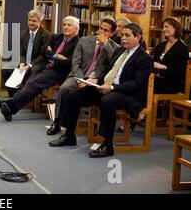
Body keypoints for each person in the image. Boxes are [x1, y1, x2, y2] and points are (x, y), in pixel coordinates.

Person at [49, 23, 153, 158]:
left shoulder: (144, 58)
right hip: (106, 87)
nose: (123, 38)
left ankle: (107, 145)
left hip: (125, 93)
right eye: (122, 35)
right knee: (74, 95)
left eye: (128, 35)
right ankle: (69, 135)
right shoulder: (119, 51)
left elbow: (136, 84)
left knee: (107, 101)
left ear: (138, 37)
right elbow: (107, 70)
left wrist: (111, 88)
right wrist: (96, 80)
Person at [0, 16, 80, 121]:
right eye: (64, 25)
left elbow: (68, 63)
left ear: (76, 29)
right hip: (44, 66)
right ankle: (9, 108)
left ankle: (9, 105)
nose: (65, 27)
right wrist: (56, 56)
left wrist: (51, 55)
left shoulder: (78, 43)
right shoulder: (56, 37)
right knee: (29, 82)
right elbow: (44, 51)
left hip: (59, 72)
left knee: (33, 83)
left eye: (69, 25)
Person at [46, 18, 119, 135]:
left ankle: (96, 125)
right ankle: (57, 121)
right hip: (78, 75)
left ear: (111, 33)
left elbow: (113, 65)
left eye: (106, 30)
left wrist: (105, 45)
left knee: (101, 95)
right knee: (64, 88)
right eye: (100, 28)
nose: (101, 32)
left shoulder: (115, 48)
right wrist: (81, 79)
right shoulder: (84, 41)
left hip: (97, 79)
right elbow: (75, 63)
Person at [1, 9, 51, 97]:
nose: (31, 23)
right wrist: (22, 64)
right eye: (29, 20)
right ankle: (14, 96)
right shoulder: (23, 34)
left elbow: (43, 56)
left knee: (32, 72)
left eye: (34, 21)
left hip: (37, 64)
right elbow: (21, 52)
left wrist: (29, 65)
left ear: (40, 22)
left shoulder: (46, 36)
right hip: (24, 63)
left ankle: (21, 97)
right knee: (5, 69)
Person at [152, 17, 189, 94]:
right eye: (163, 27)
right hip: (157, 78)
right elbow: (153, 63)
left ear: (175, 28)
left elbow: (179, 72)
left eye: (166, 27)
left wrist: (164, 67)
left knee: (145, 85)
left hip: (172, 83)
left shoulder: (183, 48)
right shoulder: (161, 45)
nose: (164, 29)